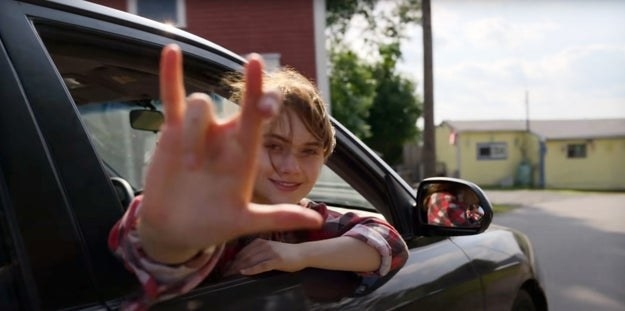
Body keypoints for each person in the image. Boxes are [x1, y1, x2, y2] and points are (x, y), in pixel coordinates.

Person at [108, 44, 409, 310]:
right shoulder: (209, 216)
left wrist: (298, 255)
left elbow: (390, 244)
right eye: (273, 146)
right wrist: (170, 240)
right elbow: (152, 250)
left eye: (308, 151)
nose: (290, 166)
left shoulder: (305, 219)